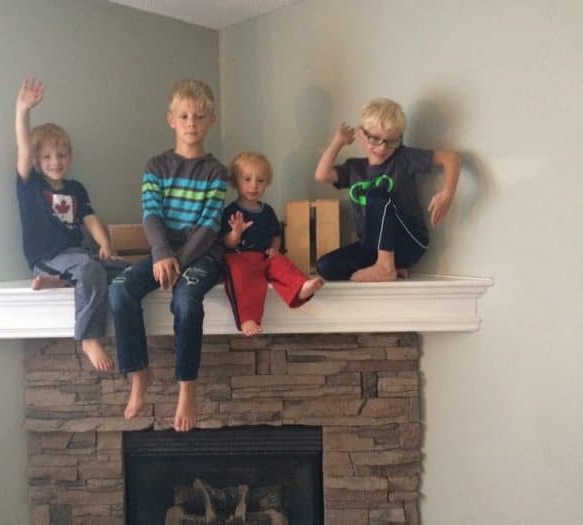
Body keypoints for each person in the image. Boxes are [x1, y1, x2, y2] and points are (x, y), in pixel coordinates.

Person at [109, 79, 228, 432]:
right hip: (164, 251)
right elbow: (151, 213)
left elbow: (209, 226)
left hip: (201, 253)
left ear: (211, 121)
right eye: (184, 116)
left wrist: (181, 262)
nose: (192, 123)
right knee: (120, 289)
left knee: (187, 301)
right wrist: (162, 254)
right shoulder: (156, 166)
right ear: (171, 120)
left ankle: (186, 387)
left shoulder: (215, 172)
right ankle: (138, 374)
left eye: (200, 116)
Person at [15, 78, 115, 372]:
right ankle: (88, 337)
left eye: (60, 155)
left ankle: (57, 282)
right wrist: (22, 110)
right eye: (46, 156)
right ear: (35, 161)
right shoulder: (30, 185)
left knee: (125, 270)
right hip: (47, 257)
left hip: (77, 256)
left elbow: (90, 218)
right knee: (88, 269)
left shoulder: (76, 188)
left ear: (69, 157)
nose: (54, 162)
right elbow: (22, 148)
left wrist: (105, 243)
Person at [314, 97, 460, 282]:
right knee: (325, 266)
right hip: (372, 247)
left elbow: (451, 158)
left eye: (390, 141)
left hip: (409, 242)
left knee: (376, 192)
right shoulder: (354, 168)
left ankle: (385, 267)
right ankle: (389, 267)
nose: (382, 148)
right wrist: (338, 142)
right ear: (361, 134)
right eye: (375, 139)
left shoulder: (403, 158)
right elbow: (322, 175)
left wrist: (446, 193)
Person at [222, 152, 324, 336]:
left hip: (263, 256)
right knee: (242, 279)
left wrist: (274, 250)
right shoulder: (231, 211)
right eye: (247, 179)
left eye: (260, 180)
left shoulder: (267, 211)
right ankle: (247, 318)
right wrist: (236, 232)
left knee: (282, 264)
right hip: (240, 257)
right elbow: (226, 243)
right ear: (234, 182)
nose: (254, 185)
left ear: (267, 183)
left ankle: (300, 288)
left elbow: (276, 234)